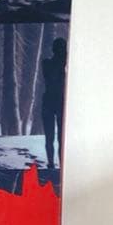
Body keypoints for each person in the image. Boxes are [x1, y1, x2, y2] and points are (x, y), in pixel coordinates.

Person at [41, 38, 67, 168]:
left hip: (51, 102)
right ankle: (56, 164)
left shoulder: (47, 63)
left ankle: (53, 163)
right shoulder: (58, 65)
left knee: (51, 137)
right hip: (58, 102)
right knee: (56, 137)